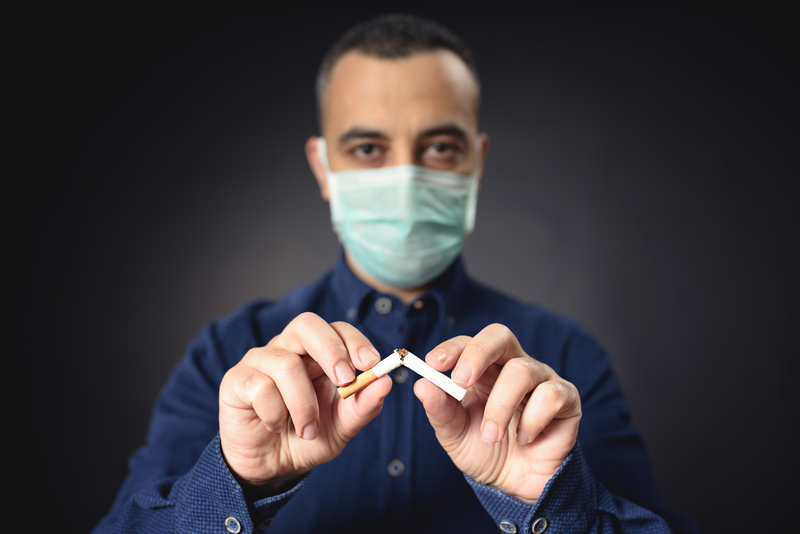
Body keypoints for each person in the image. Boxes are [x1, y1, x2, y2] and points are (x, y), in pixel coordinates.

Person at [93, 13, 696, 534]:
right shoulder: (228, 358)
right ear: (323, 167)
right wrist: (237, 481)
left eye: (438, 147)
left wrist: (553, 502)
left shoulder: (564, 361)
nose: (406, 178)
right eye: (367, 150)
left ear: (476, 162)